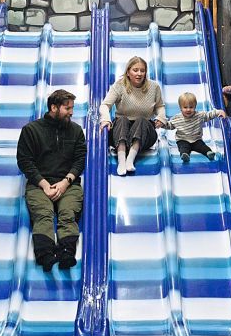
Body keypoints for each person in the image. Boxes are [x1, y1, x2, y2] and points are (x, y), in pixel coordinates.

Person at [16, 88, 87, 273]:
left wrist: (66, 182)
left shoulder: (76, 131)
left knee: (68, 213)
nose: (71, 112)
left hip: (68, 183)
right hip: (39, 184)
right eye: (67, 108)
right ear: (54, 107)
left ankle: (66, 252)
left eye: (72, 108)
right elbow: (25, 161)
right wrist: (43, 183)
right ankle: (45, 255)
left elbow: (80, 159)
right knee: (43, 214)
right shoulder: (31, 130)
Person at [99, 55, 166, 176]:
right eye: (135, 70)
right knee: (122, 119)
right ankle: (122, 160)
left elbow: (160, 106)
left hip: (145, 131)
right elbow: (105, 105)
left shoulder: (154, 87)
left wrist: (161, 117)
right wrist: (106, 119)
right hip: (122, 130)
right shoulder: (119, 85)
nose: (139, 74)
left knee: (141, 120)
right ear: (128, 72)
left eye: (142, 70)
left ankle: (130, 159)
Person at [164, 91, 226, 163]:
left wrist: (218, 112)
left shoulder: (199, 115)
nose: (188, 109)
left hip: (196, 139)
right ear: (180, 108)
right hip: (183, 139)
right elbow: (170, 125)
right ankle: (185, 155)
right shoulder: (177, 118)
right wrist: (162, 124)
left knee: (202, 146)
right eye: (185, 107)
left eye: (191, 107)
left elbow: (209, 115)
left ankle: (209, 153)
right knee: (183, 147)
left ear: (195, 106)